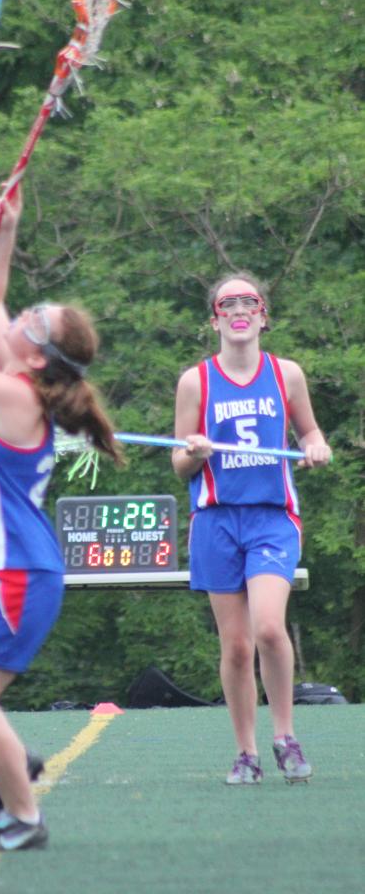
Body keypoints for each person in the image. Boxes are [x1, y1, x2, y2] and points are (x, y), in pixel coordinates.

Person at [0, 186, 122, 852]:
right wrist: (6, 227)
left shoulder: (12, 392)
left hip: (17, 572)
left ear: (37, 357)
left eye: (36, 319)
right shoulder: (21, 374)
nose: (24, 312)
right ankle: (17, 766)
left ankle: (24, 819)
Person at [172, 271, 332, 785]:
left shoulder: (286, 374)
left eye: (249, 302)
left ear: (263, 315)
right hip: (216, 521)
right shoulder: (196, 381)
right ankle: (247, 752)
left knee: (267, 627)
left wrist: (315, 446)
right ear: (214, 319)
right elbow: (179, 464)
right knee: (237, 647)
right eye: (227, 303)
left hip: (271, 518)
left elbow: (309, 432)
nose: (238, 310)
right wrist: (195, 454)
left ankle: (285, 737)